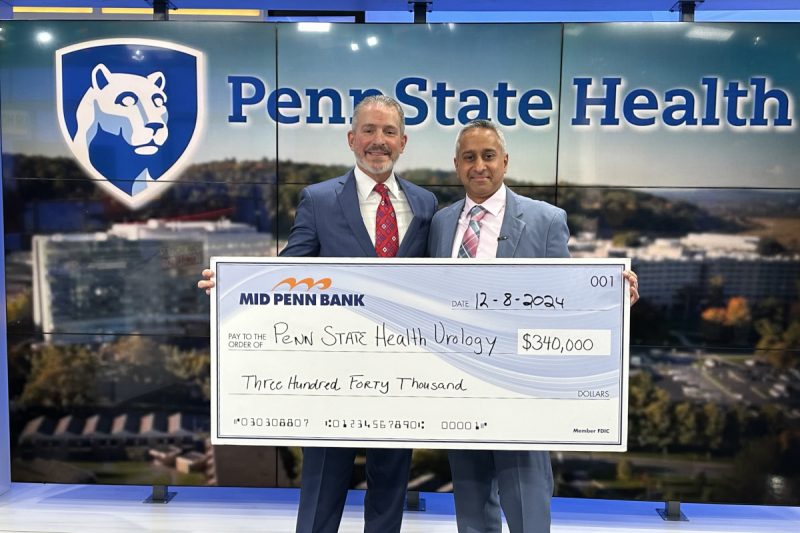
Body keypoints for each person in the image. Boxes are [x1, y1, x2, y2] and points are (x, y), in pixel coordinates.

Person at [199, 95, 437, 533]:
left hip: (403, 374)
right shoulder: (319, 198)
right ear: (351, 139)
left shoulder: (425, 204)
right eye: (368, 130)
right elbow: (293, 267)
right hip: (331, 373)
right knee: (323, 487)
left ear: (403, 142)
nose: (377, 141)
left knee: (390, 487)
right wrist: (239, 283)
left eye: (388, 132)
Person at [428, 119, 639, 533]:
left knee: (527, 510)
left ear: (505, 161)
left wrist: (610, 294)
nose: (479, 166)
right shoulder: (440, 223)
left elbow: (564, 298)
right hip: (460, 388)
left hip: (520, 388)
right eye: (469, 157)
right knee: (471, 511)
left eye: (488, 156)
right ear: (456, 165)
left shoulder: (546, 220)